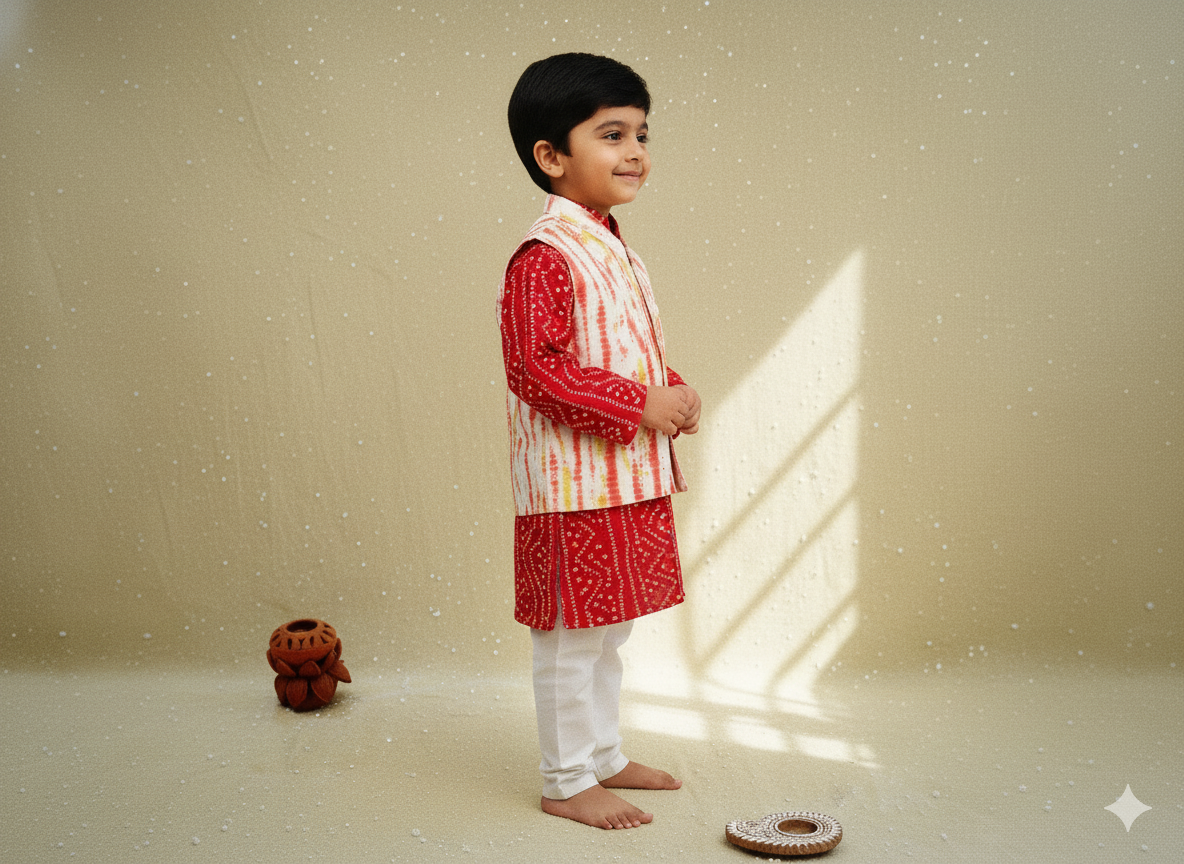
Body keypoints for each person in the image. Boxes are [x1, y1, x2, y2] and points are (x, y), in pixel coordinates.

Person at [497, 53, 701, 830]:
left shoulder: (611, 244)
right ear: (551, 156)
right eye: (611, 134)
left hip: (623, 476)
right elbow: (536, 370)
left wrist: (672, 392)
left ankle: (603, 754)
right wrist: (638, 403)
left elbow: (623, 348)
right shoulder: (545, 257)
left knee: (610, 627)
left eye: (641, 133)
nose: (635, 151)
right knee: (570, 636)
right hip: (570, 486)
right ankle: (565, 778)